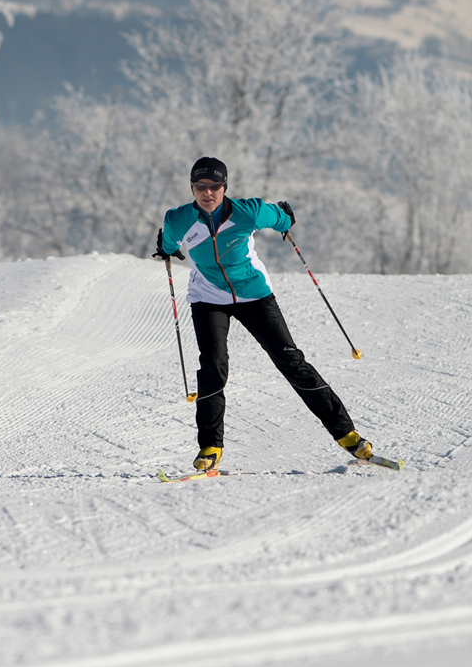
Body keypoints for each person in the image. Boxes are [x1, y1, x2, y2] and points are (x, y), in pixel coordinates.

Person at [154, 156, 373, 472]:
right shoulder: (178, 219)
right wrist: (165, 248)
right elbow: (168, 240)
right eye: (200, 186)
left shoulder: (248, 211)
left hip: (254, 295)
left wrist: (285, 218)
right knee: (213, 365)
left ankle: (347, 435)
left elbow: (280, 218)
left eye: (214, 185)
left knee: (291, 361)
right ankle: (210, 447)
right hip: (208, 298)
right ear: (192, 187)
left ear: (224, 187)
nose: (208, 192)